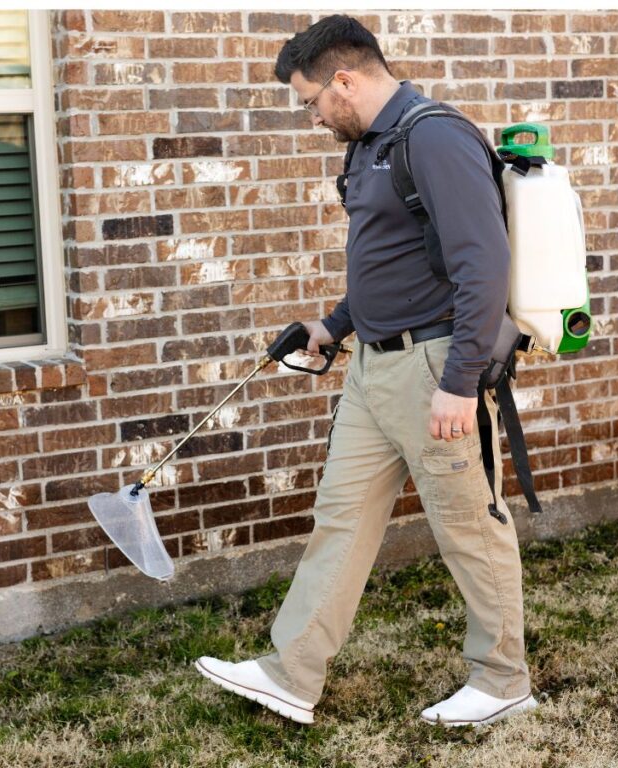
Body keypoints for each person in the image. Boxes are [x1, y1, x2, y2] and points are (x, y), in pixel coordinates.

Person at [195, 14, 535, 728]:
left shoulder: (433, 137)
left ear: (344, 81)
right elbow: (393, 258)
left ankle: (503, 679)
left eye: (312, 101)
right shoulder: (373, 145)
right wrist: (334, 326)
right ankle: (292, 673)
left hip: (435, 368)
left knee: (470, 527)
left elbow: (484, 265)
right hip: (372, 369)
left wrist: (459, 381)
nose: (313, 116)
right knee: (341, 520)